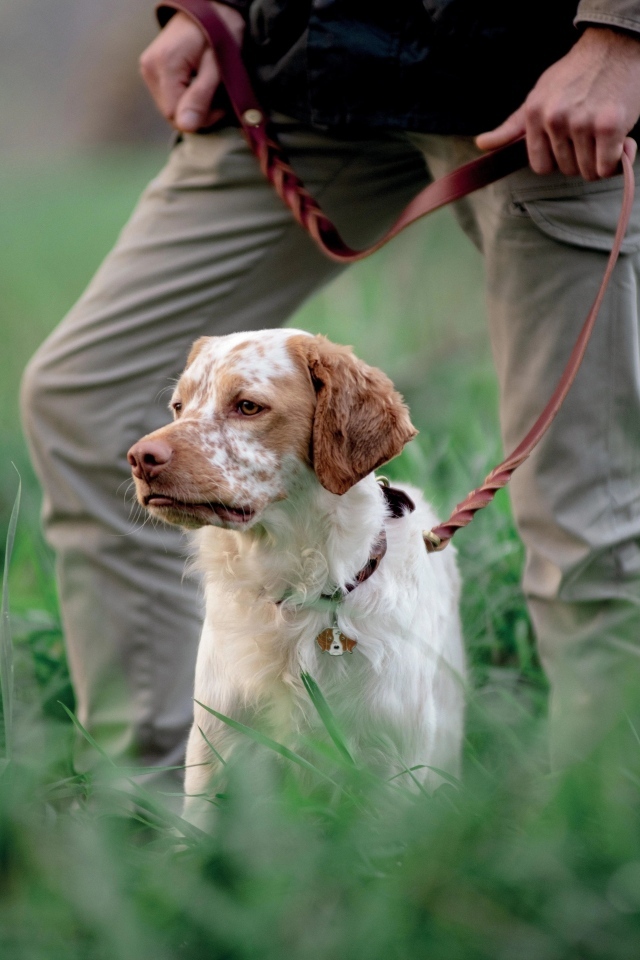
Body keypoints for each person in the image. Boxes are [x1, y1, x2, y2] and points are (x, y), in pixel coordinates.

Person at [20, 1, 640, 775]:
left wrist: (622, 33)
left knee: (588, 501)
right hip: (299, 75)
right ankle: (150, 816)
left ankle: (598, 847)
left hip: (530, 79)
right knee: (84, 393)